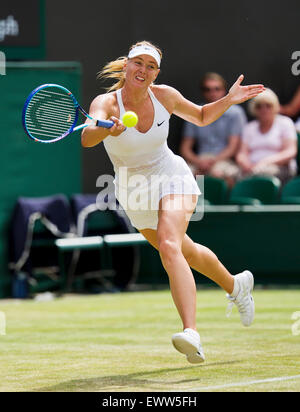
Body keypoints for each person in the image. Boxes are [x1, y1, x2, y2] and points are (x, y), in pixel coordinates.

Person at [81, 41, 264, 364]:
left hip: (171, 175)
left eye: (150, 66)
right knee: (185, 250)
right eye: (138, 63)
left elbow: (204, 116)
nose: (143, 70)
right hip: (133, 190)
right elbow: (87, 137)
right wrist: (107, 129)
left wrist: (229, 99)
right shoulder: (106, 103)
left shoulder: (164, 95)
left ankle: (191, 332)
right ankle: (236, 286)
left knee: (169, 245)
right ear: (126, 66)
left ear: (156, 73)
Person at [180, 72, 247, 187]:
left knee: (220, 174)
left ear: (224, 90)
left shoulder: (235, 113)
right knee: (181, 176)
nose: (213, 93)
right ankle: (193, 205)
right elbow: (185, 148)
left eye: (217, 89)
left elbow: (233, 147)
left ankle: (222, 204)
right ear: (203, 92)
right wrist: (199, 162)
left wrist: (212, 163)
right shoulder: (194, 111)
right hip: (200, 160)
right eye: (208, 89)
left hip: (224, 160)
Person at [236, 88, 297, 183]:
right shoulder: (249, 127)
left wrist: (265, 162)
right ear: (254, 109)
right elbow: (242, 153)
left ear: (275, 106)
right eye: (259, 106)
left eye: (268, 105)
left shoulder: (285, 123)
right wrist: (246, 164)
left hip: (280, 169)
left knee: (258, 175)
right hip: (251, 169)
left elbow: (290, 151)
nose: (264, 109)